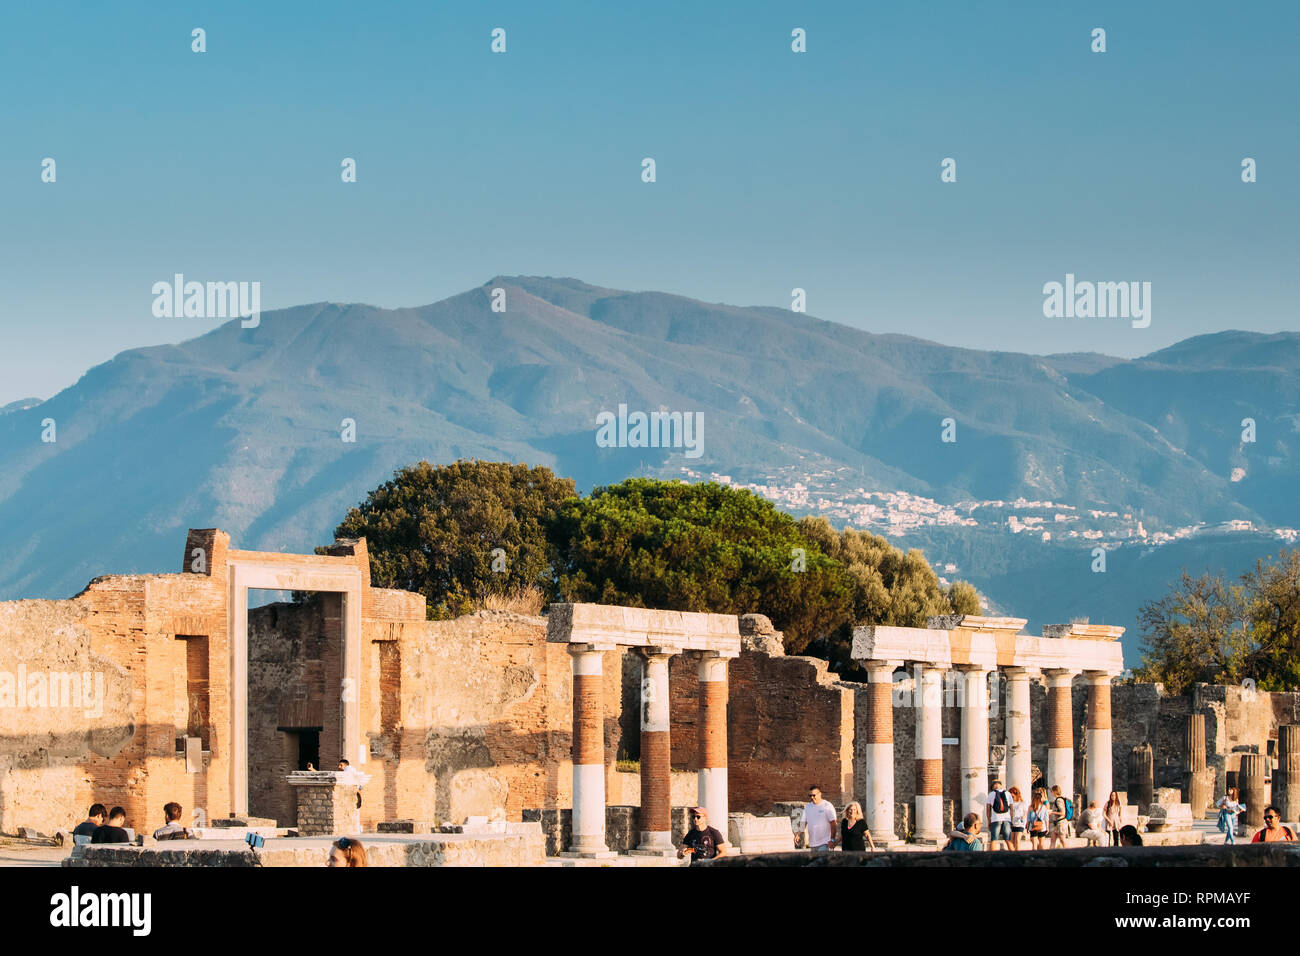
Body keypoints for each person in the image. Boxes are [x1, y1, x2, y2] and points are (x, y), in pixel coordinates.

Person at [800, 785, 837, 852]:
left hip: (825, 843)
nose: (812, 797)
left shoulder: (827, 806)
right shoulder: (808, 807)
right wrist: (798, 834)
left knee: (822, 861)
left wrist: (832, 840)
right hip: (812, 843)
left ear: (820, 794)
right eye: (810, 795)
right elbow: (803, 822)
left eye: (814, 795)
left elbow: (833, 823)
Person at [985, 779, 1013, 851]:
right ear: (1000, 785)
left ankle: (991, 857)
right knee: (1008, 840)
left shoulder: (991, 794)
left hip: (995, 819)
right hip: (1007, 819)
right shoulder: (1008, 793)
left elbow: (988, 809)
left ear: (993, 786)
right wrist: (1011, 820)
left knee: (994, 840)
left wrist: (989, 820)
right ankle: (1016, 856)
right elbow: (1012, 809)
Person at [1007, 786, 1027, 851]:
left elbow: (1025, 812)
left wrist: (1023, 817)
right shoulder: (1010, 804)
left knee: (1017, 840)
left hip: (1020, 823)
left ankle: (1017, 854)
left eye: (1013, 796)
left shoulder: (1022, 803)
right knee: (1012, 841)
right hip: (1012, 823)